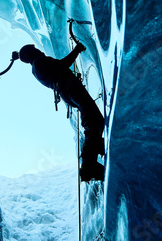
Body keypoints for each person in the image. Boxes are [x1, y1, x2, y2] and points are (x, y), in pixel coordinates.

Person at [18, 43, 105, 182]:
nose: (38, 49)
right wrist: (76, 50)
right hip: (69, 86)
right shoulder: (39, 62)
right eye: (34, 49)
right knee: (92, 118)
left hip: (66, 90)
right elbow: (62, 65)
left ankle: (97, 149)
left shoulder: (35, 67)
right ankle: (89, 164)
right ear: (31, 54)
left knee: (93, 118)